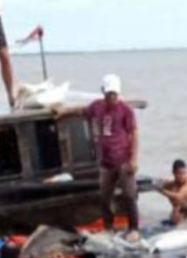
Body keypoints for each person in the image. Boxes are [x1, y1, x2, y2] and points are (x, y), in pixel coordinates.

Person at [52, 74, 141, 242]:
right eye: (108, 94)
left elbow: (134, 133)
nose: (111, 98)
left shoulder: (126, 110)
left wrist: (133, 159)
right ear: (103, 93)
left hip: (123, 160)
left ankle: (134, 228)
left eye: (114, 94)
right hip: (106, 162)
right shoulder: (97, 107)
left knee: (129, 195)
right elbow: (82, 110)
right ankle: (109, 227)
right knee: (105, 197)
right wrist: (64, 110)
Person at [158, 159, 187, 226]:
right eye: (179, 173)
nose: (182, 176)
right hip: (175, 217)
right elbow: (161, 184)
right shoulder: (172, 184)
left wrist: (162, 191)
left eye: (184, 173)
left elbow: (178, 196)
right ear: (173, 173)